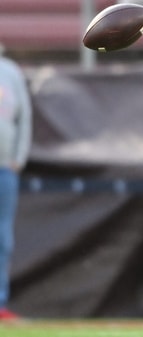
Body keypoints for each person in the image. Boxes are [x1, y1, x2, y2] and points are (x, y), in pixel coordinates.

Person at [0, 48, 31, 322]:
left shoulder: (10, 72)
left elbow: (24, 118)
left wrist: (18, 158)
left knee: (2, 239)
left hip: (4, 168)